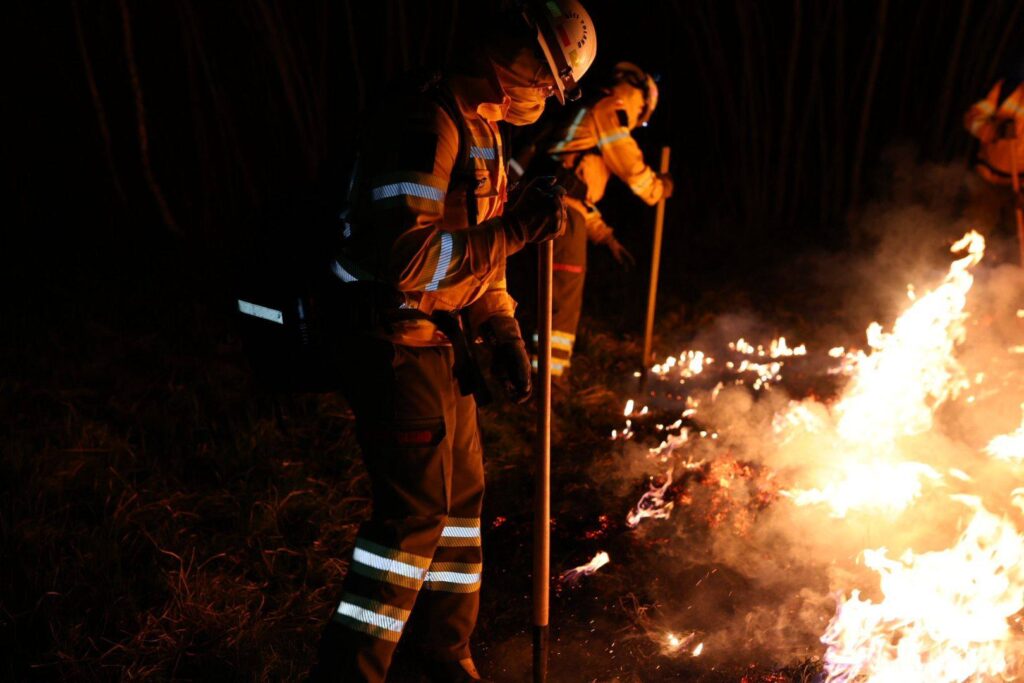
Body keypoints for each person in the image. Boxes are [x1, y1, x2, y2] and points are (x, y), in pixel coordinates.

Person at [308, 2, 596, 682]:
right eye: (546, 81)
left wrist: (499, 322)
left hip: (445, 341)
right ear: (517, 57)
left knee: (462, 508)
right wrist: (520, 232)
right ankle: (352, 670)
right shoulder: (425, 122)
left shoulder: (484, 131)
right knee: (409, 526)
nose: (543, 98)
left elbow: (477, 252)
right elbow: (403, 258)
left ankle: (443, 655)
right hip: (395, 341)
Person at [520, 62, 671, 377]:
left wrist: (606, 237)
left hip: (552, 206)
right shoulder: (609, 109)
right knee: (559, 304)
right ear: (639, 100)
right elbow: (630, 167)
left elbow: (575, 190)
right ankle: (549, 387)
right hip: (561, 216)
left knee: (551, 299)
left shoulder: (588, 111)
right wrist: (659, 188)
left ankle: (539, 379)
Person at [963, 56, 1023, 253]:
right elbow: (972, 118)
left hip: (1019, 187)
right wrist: (995, 130)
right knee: (972, 237)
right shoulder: (1006, 89)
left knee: (1016, 243)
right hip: (987, 181)